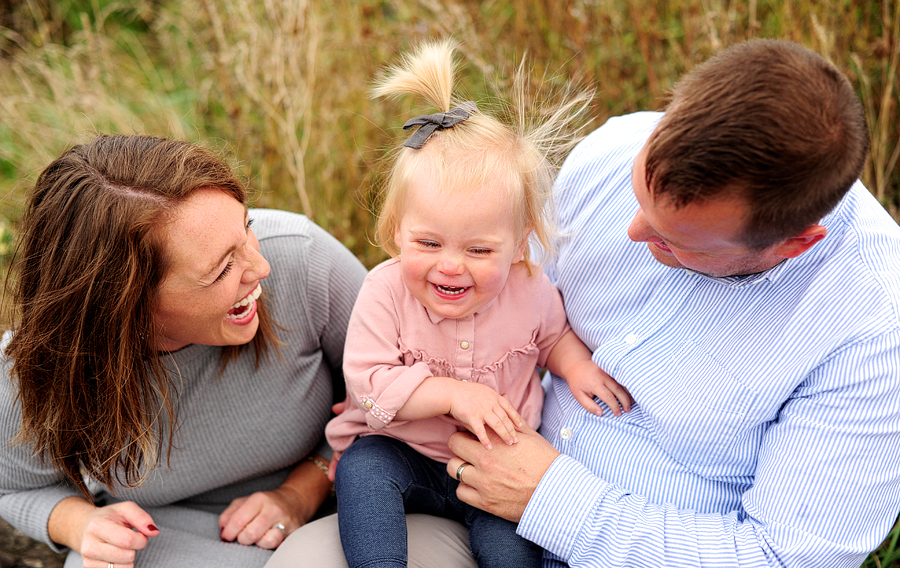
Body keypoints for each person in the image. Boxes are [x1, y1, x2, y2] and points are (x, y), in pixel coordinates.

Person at [441, 39, 900, 567]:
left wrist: (548, 498)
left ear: (794, 243)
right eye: (638, 197)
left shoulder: (873, 335)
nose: (634, 231)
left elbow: (779, 557)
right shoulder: (612, 150)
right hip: (468, 499)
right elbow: (508, 305)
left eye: (675, 241)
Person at [323, 40, 630, 568]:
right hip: (404, 451)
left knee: (512, 545)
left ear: (521, 242)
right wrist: (449, 394)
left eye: (479, 249)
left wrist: (575, 365)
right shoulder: (385, 290)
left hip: (496, 466)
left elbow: (553, 337)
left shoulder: (530, 289)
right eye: (428, 243)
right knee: (362, 470)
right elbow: (368, 384)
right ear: (397, 230)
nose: (450, 265)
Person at [0, 135, 368, 567]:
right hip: (167, 541)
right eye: (223, 269)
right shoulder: (37, 366)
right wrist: (81, 524)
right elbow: (15, 487)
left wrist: (302, 491)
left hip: (344, 512)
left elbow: (397, 391)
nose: (260, 267)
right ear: (125, 305)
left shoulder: (303, 260)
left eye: (247, 226)